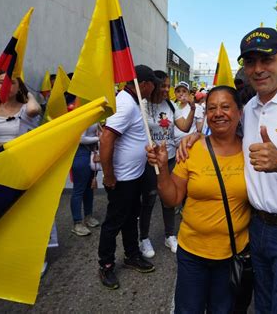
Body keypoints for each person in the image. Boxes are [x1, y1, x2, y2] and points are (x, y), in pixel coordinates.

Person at [178, 27, 277, 312]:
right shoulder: (250, 107)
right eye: (250, 62)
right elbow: (224, 137)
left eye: (266, 60)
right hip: (258, 230)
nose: (258, 69)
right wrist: (195, 138)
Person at [148, 86, 250, 313]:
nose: (218, 113)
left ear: (239, 112)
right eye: (212, 108)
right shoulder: (191, 149)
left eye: (226, 107)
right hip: (193, 253)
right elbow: (172, 198)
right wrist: (163, 169)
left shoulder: (251, 152)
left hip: (232, 254)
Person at [97, 65, 159, 289]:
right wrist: (109, 175)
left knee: (131, 217)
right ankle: (106, 265)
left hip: (134, 176)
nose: (154, 89)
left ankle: (131, 255)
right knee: (113, 222)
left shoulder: (132, 101)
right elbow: (106, 139)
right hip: (122, 179)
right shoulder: (125, 103)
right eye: (153, 84)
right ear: (144, 84)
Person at [139, 71, 195, 259]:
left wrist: (193, 109)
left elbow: (185, 127)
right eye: (163, 85)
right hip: (151, 161)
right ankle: (144, 238)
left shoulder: (171, 105)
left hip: (170, 159)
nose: (166, 89)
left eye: (167, 86)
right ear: (153, 85)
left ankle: (169, 235)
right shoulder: (143, 105)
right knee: (149, 200)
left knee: (169, 200)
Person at [0, 72, 41, 151]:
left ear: (19, 87)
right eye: (1, 83)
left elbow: (34, 110)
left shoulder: (26, 108)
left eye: (11, 83)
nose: (6, 86)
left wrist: (29, 94)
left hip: (20, 157)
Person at [70, 123, 101, 236]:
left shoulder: (97, 113)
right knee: (79, 189)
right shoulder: (84, 113)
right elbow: (80, 138)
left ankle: (88, 217)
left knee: (89, 187)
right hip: (81, 152)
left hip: (92, 152)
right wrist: (99, 138)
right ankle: (77, 223)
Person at [173, 81, 204, 147]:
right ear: (175, 94)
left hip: (189, 146)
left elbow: (199, 130)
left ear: (189, 93)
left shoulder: (197, 107)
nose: (181, 94)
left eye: (184, 91)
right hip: (173, 146)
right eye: (178, 91)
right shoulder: (172, 107)